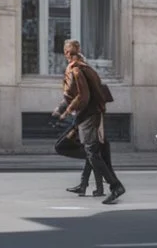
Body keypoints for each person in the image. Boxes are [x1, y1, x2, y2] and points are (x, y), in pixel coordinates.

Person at [51, 39, 125, 205]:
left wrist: (68, 112)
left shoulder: (75, 69)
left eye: (67, 52)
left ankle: (115, 186)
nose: (67, 55)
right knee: (93, 151)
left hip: (88, 116)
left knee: (89, 151)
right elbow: (72, 95)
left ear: (67, 53)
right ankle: (86, 185)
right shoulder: (84, 66)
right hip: (91, 114)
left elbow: (82, 97)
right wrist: (60, 110)